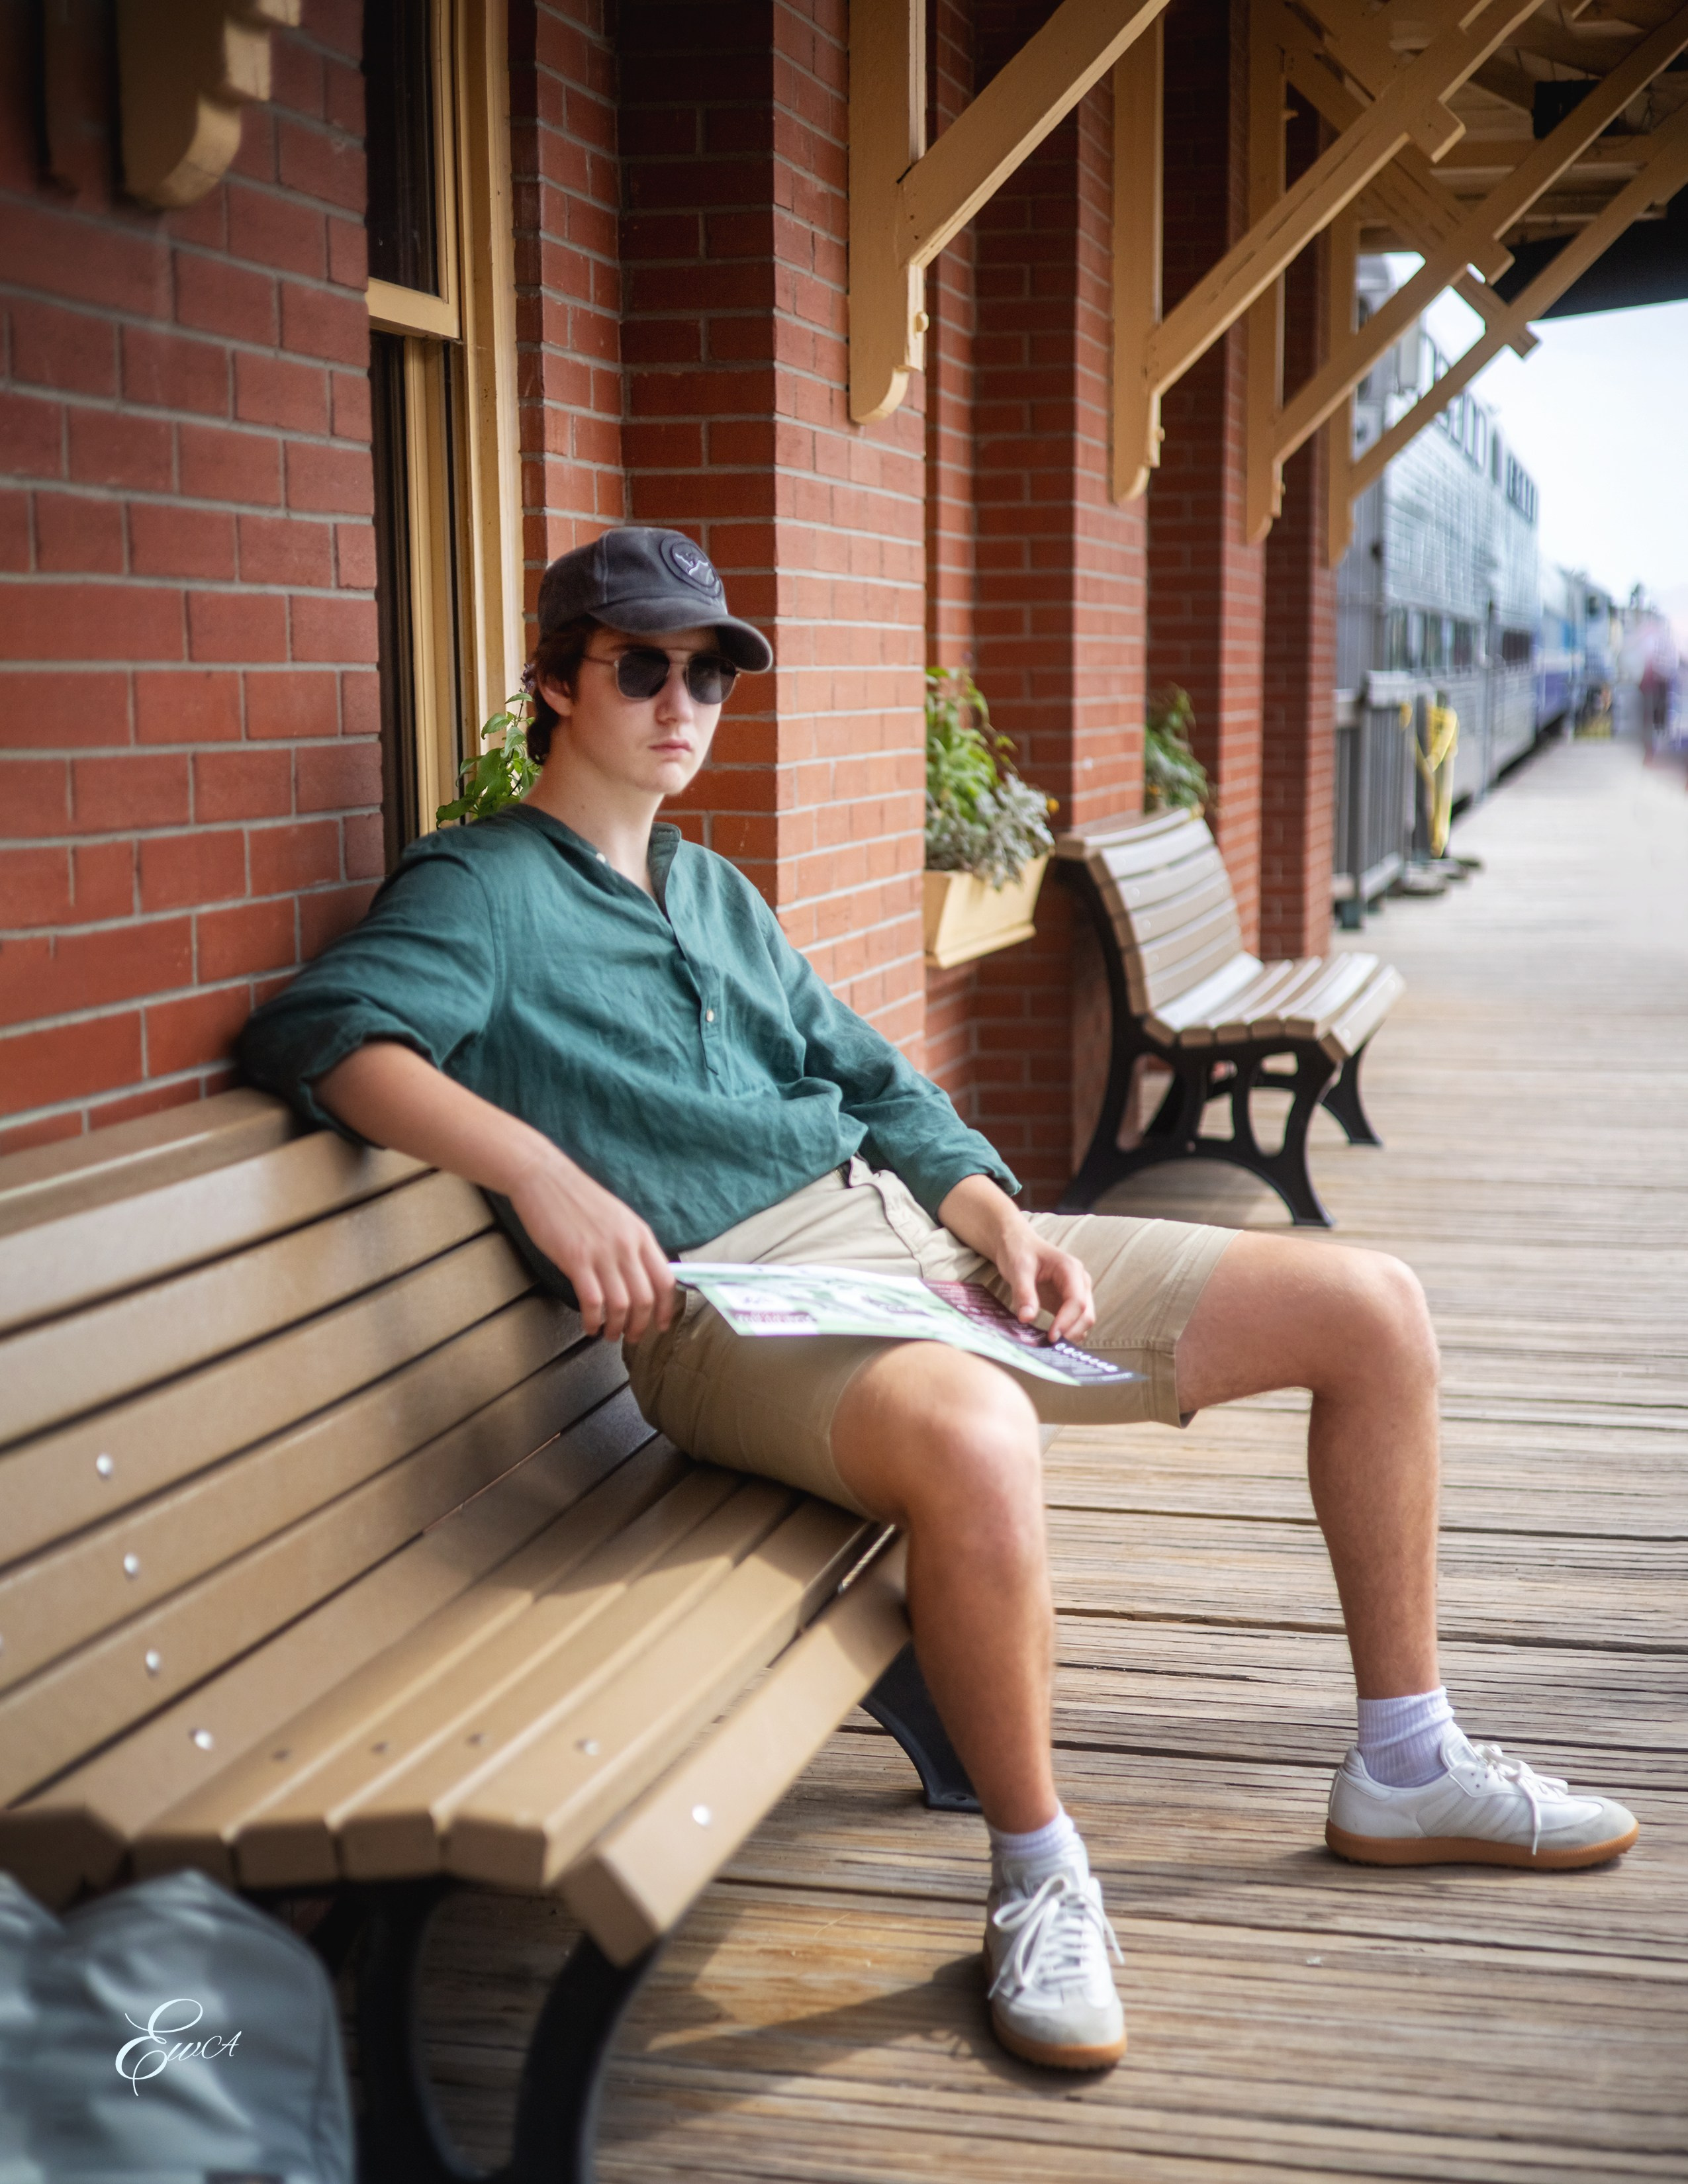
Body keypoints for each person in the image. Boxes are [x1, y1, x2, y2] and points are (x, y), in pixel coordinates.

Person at [241, 527, 1638, 2073]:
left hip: (906, 1249)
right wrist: (542, 1174)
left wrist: (989, 1216)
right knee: (979, 1433)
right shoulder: (486, 887)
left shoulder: (713, 890)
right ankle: (1038, 1876)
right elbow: (329, 1031)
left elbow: (872, 1076)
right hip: (730, 1314)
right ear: (556, 685)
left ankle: (1406, 1761)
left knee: (1372, 1308)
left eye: (708, 670)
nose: (682, 698)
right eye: (642, 664)